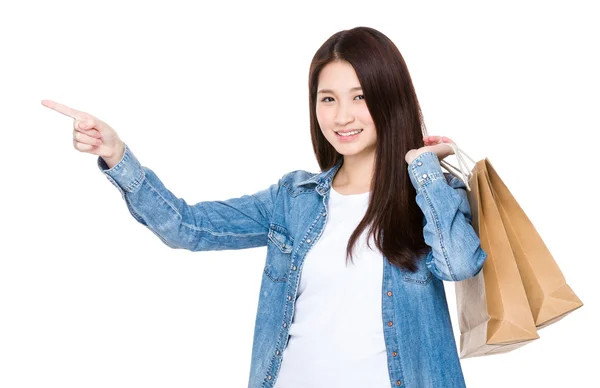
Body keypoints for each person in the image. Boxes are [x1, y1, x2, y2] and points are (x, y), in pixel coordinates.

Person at [42, 26, 487, 388]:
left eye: (360, 96)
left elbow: (460, 263)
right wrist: (118, 155)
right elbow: (187, 227)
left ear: (389, 99)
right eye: (327, 99)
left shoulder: (429, 195)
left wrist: (422, 169)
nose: (342, 116)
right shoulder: (293, 199)